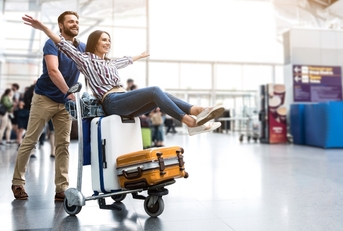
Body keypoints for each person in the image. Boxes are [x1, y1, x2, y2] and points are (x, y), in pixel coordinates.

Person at [22, 14, 225, 137]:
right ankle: (190, 121)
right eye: (104, 39)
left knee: (161, 95)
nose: (108, 43)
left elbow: (126, 60)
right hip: (112, 101)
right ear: (94, 42)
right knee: (154, 91)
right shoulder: (85, 60)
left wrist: (140, 55)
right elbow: (62, 43)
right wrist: (44, 28)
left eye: (109, 40)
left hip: (123, 100)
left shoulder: (110, 62)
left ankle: (197, 110)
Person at [12, 11, 86, 201]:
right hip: (44, 98)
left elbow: (94, 65)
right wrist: (69, 93)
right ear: (61, 25)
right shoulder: (51, 43)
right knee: (30, 140)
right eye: (71, 21)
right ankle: (18, 182)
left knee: (63, 145)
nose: (75, 24)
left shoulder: (82, 47)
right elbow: (53, 71)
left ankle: (62, 188)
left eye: (77, 21)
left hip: (65, 103)